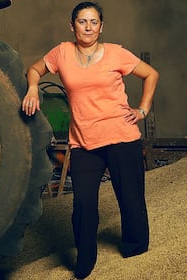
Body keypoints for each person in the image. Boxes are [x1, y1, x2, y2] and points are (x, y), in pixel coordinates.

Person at [22, 2, 159, 279]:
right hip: (84, 142)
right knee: (83, 204)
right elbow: (34, 69)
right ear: (72, 26)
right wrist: (33, 88)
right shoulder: (62, 53)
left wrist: (142, 110)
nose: (88, 27)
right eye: (82, 21)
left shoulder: (115, 53)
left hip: (122, 136)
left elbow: (151, 74)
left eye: (94, 22)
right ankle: (85, 260)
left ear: (101, 27)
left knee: (130, 199)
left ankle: (136, 251)